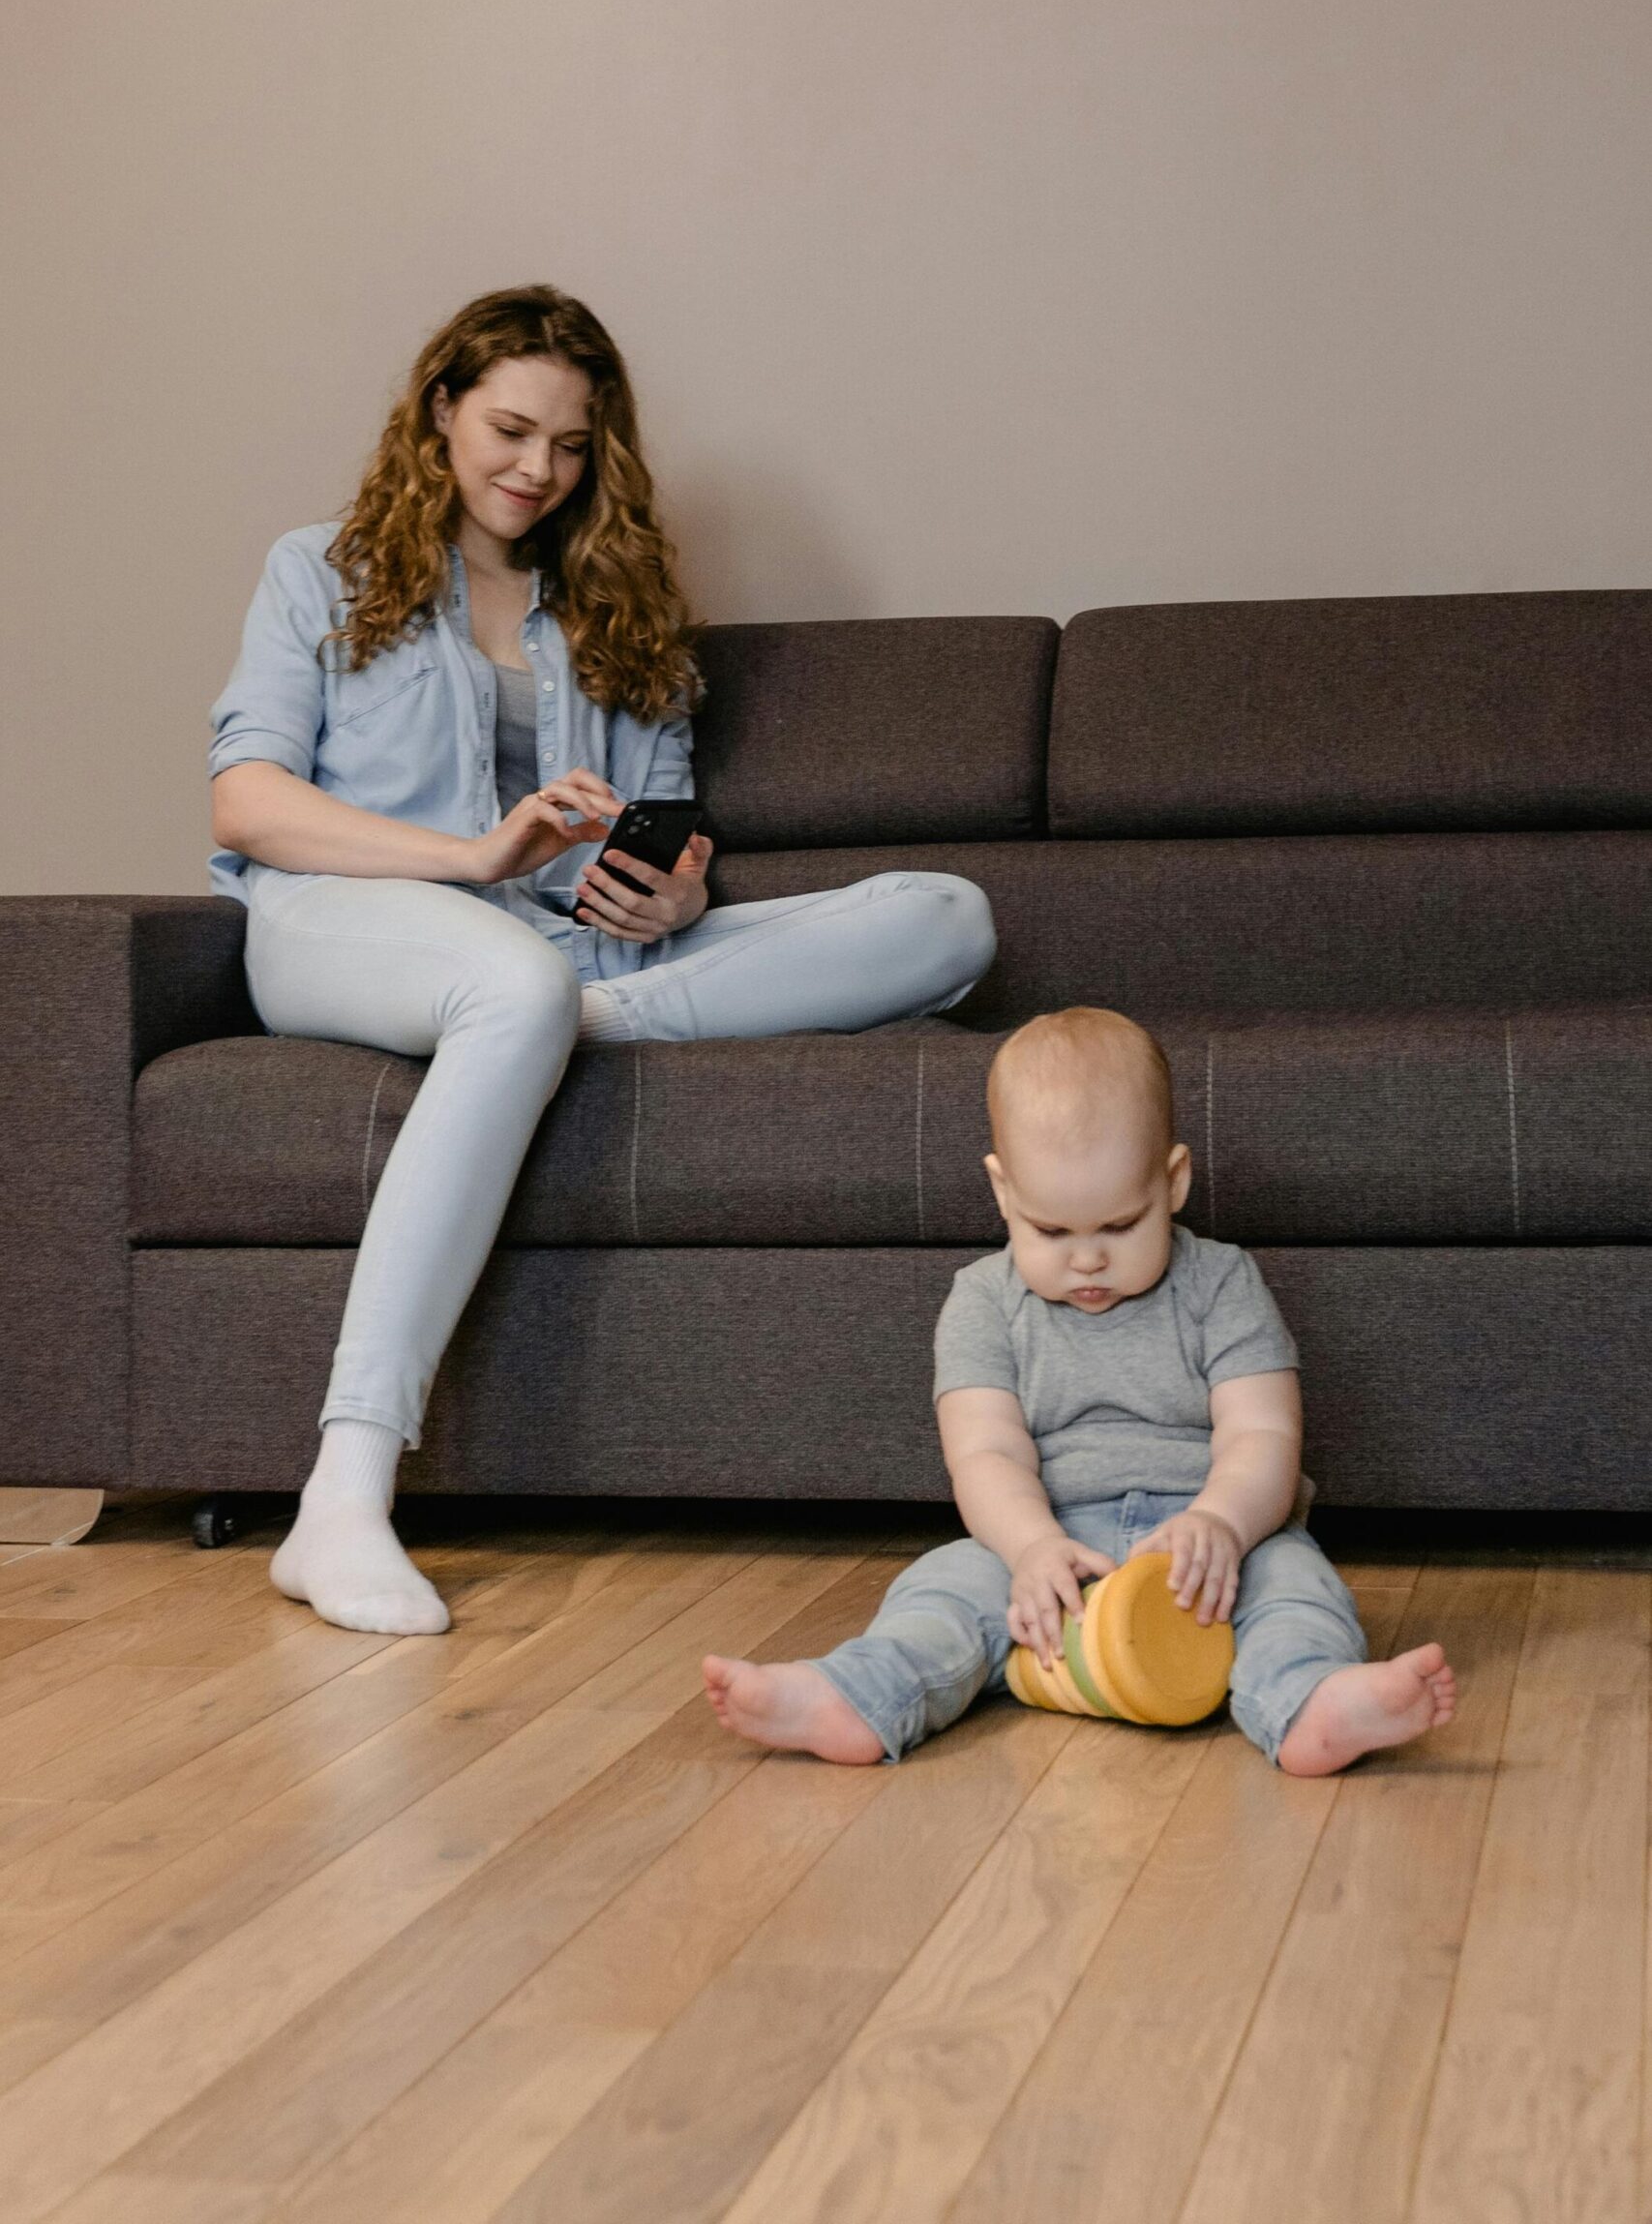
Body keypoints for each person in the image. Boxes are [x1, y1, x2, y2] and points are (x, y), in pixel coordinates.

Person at [208, 284, 996, 1638]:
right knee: (507, 984)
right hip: (344, 922)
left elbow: (652, 831)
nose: (536, 470)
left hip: (570, 955)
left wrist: (668, 896)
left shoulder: (621, 603)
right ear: (441, 408)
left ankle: (563, 1021)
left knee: (948, 916)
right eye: (510, 430)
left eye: (570, 446)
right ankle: (341, 1497)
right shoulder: (319, 568)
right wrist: (469, 859)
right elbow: (246, 804)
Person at [704, 1007, 1457, 1777]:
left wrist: (1222, 1525)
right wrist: (1030, 1548)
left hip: (1208, 1543)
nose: (1087, 1260)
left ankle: (1311, 1702)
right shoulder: (982, 1301)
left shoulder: (1221, 1281)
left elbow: (1262, 1433)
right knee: (943, 1590)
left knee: (1294, 1590)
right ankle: (854, 1695)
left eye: (1119, 1225)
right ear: (1002, 1192)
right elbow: (984, 1451)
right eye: (1051, 1233)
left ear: (1172, 1183)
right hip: (1051, 1538)